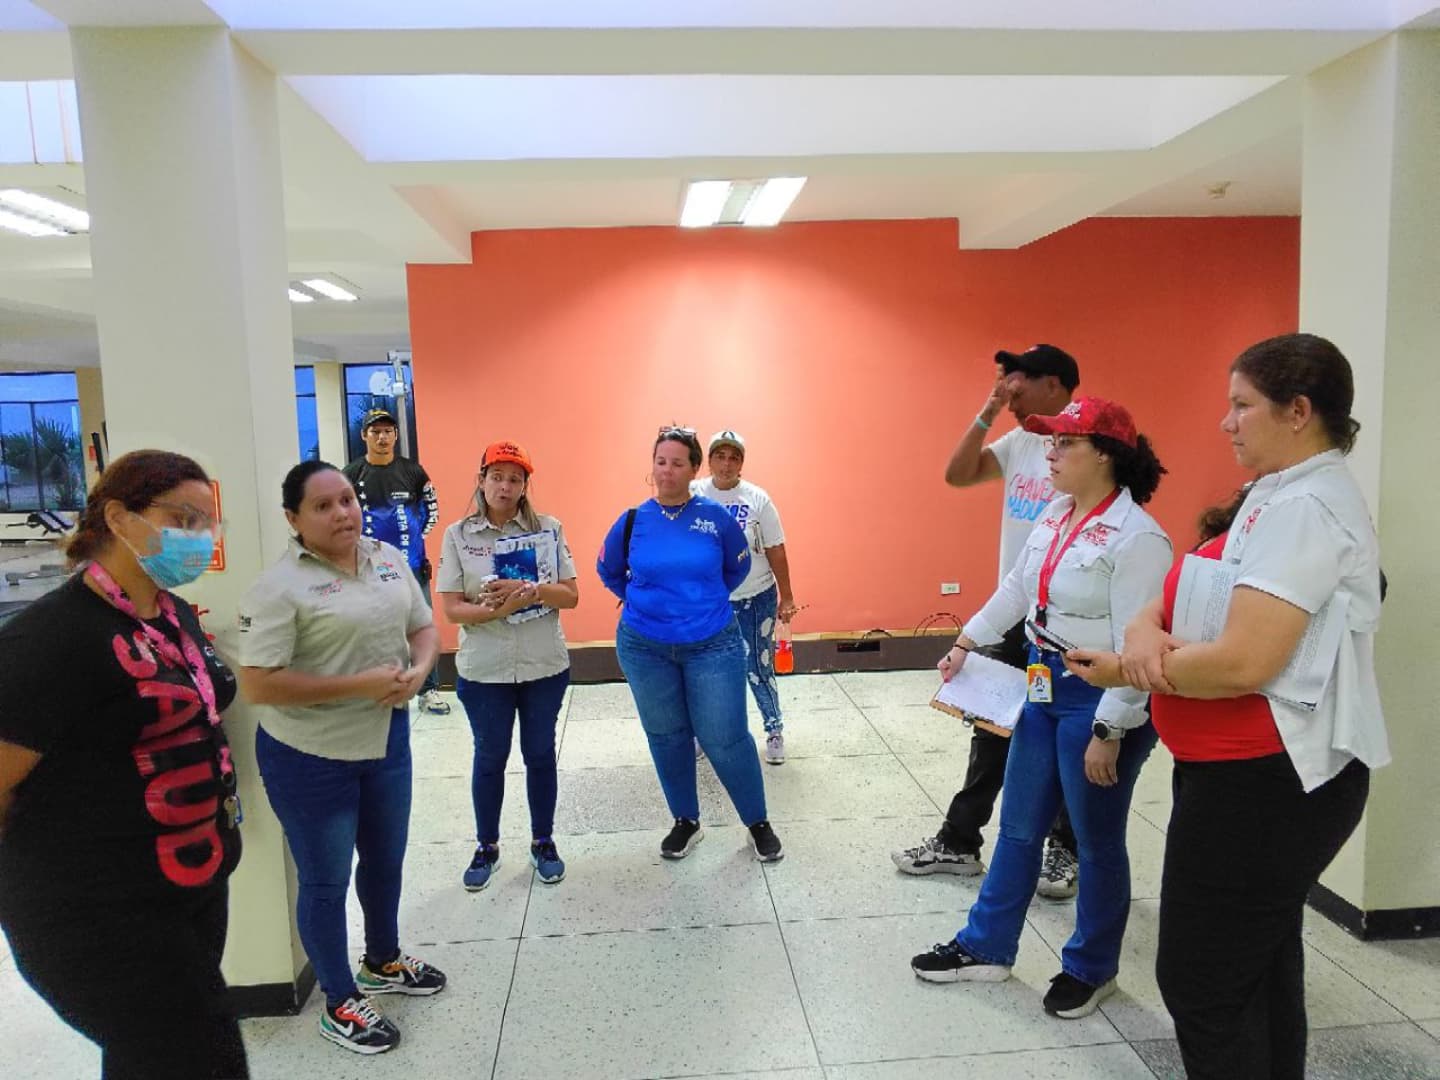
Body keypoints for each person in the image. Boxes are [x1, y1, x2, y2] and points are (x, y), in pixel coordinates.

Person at [1065, 334, 1388, 1077]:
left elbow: (1244, 661)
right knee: (1257, 969)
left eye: (1242, 405)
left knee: (1203, 979)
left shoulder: (1306, 508)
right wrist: (1144, 629)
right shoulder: (1273, 492)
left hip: (1268, 786)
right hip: (1236, 775)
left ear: (1298, 411)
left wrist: (1128, 667)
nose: (1226, 422)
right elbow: (1188, 583)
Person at [911, 397, 1170, 1021]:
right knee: (1020, 827)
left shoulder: (1139, 538)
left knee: (1094, 841)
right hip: (1043, 685)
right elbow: (1017, 590)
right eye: (1051, 442)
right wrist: (966, 641)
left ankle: (1091, 967)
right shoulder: (1057, 514)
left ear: (1105, 455)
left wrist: (1111, 727)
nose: (1049, 454)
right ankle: (986, 945)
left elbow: (1138, 648)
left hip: (1099, 699)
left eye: (1065, 444)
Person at [0, 449, 248, 1079]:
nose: (199, 537)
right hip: (99, 912)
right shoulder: (51, 637)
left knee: (151, 1061)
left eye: (207, 523)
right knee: (203, 1060)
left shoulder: (171, 613)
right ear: (118, 517)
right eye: (182, 519)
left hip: (188, 891)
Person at [237, 460, 447, 1056]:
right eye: (323, 506)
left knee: (384, 861)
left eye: (347, 500)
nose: (342, 513)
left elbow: (423, 627)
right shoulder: (279, 587)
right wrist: (357, 685)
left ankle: (382, 960)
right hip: (310, 755)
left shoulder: (386, 558)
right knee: (325, 880)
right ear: (293, 519)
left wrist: (420, 671)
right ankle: (338, 1000)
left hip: (386, 742)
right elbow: (257, 684)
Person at [893, 343, 1082, 900]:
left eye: (1018, 385)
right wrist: (989, 410)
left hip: (1070, 622)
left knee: (1065, 736)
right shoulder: (1020, 441)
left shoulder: (1086, 445)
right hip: (1013, 612)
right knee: (992, 727)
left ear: (1054, 384)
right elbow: (958, 474)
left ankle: (1065, 847)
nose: (1010, 394)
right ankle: (959, 842)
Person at [597, 426, 784, 862]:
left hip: (712, 645)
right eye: (660, 462)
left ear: (694, 468)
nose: (666, 471)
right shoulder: (633, 520)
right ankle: (686, 821)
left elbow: (737, 568)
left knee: (726, 736)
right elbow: (609, 571)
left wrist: (701, 601)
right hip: (645, 648)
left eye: (677, 463)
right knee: (667, 735)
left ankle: (758, 823)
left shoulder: (715, 518)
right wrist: (645, 602)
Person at [436, 440, 579, 891]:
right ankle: (487, 846)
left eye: (514, 478)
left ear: (524, 485)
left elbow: (570, 595)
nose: (504, 486)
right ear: (481, 480)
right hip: (485, 670)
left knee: (540, 755)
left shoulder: (548, 530)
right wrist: (497, 610)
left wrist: (533, 590)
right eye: (496, 476)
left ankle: (543, 842)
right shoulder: (458, 535)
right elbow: (452, 609)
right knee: (489, 756)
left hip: (542, 666)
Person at [691, 429, 799, 765]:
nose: (726, 464)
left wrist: (787, 597)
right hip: (708, 601)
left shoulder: (757, 499)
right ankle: (703, 734)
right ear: (709, 461)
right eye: (720, 456)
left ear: (742, 463)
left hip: (756, 597)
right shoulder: (694, 494)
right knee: (705, 668)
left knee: (758, 665)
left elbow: (776, 548)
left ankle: (774, 729)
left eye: (734, 457)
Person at [343, 407, 449, 715]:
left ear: (396, 435)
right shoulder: (350, 475)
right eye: (376, 432)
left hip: (413, 567)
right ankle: (380, 689)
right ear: (364, 435)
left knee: (422, 628)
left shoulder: (414, 472)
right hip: (367, 570)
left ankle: (428, 690)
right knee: (371, 629)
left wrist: (410, 541)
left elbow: (431, 513)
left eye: (388, 431)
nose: (382, 437)